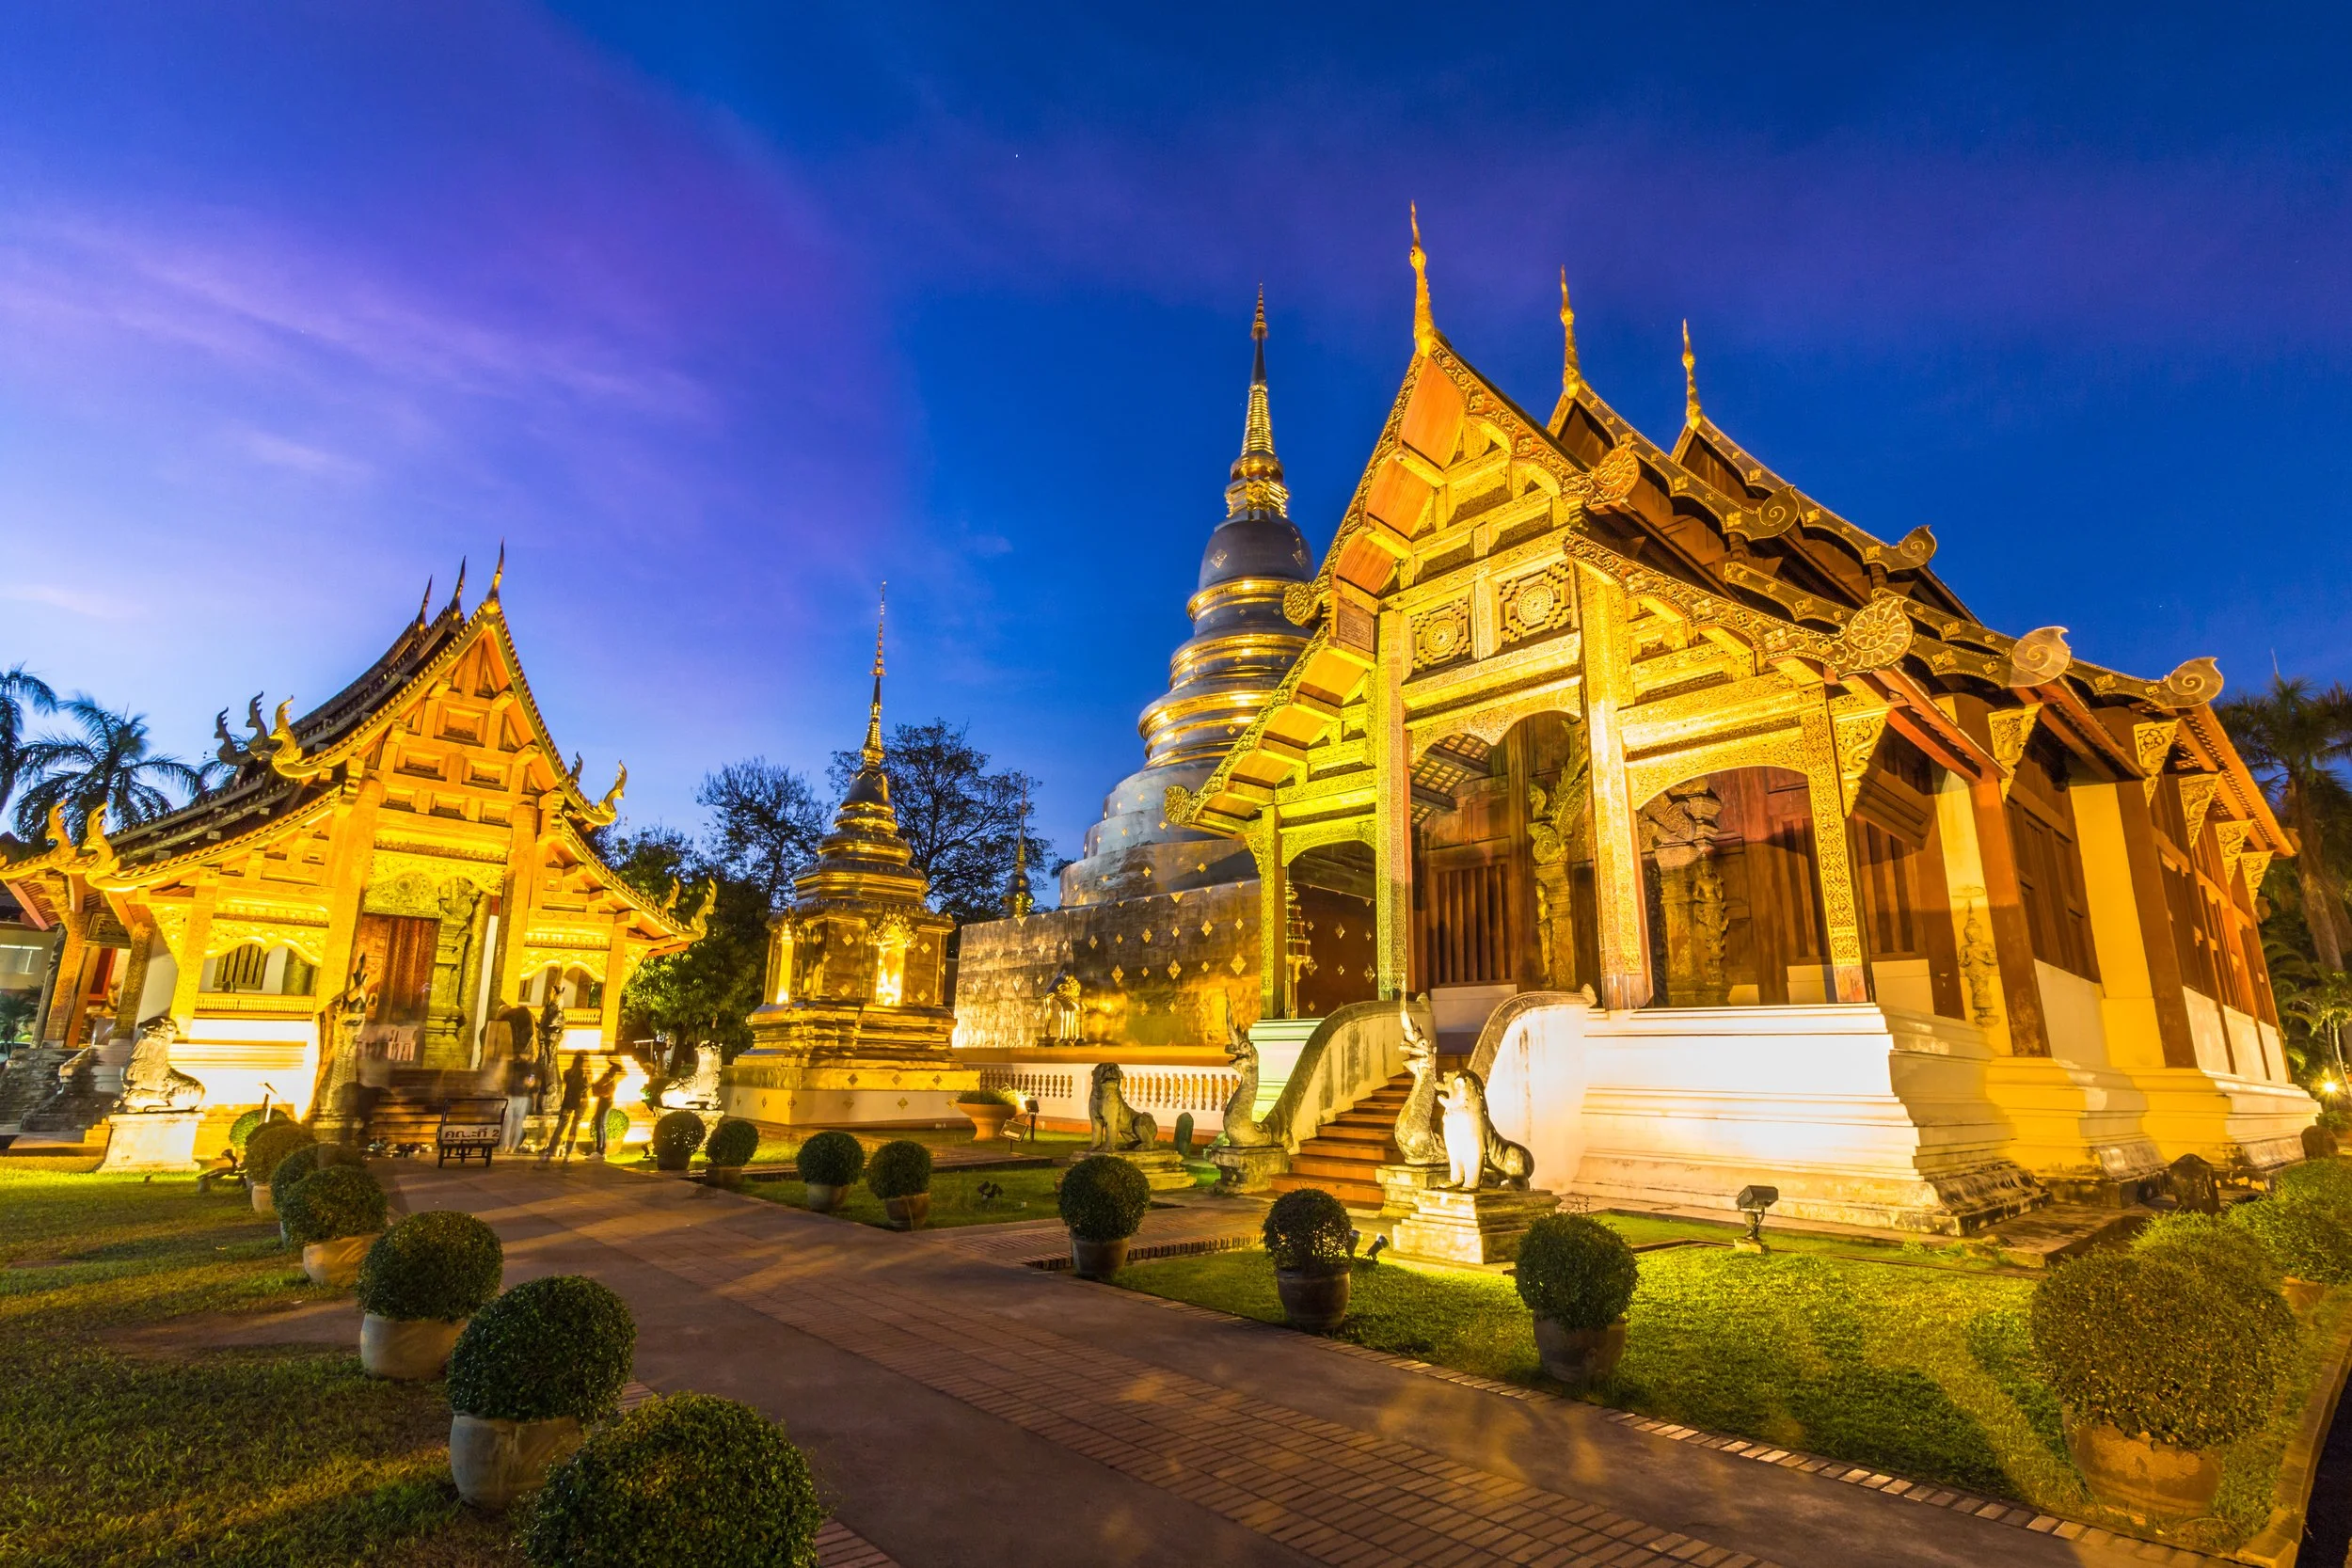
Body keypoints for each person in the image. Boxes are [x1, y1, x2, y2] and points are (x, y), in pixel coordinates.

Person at [538, 1053, 591, 1165]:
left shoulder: (567, 1073)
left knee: (560, 1129)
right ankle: (567, 1155)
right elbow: (584, 1088)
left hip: (567, 1103)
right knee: (574, 1129)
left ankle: (549, 1153)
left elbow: (568, 1085)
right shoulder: (583, 1074)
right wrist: (588, 1081)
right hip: (579, 1104)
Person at [502, 1052, 539, 1154]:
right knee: (517, 1123)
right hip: (522, 1097)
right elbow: (531, 1082)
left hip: (511, 1096)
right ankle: (512, 1147)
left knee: (508, 1122)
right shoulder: (530, 1068)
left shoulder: (512, 1065)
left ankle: (506, 1146)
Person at [589, 1056, 626, 1158]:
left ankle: (600, 1151)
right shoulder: (609, 1078)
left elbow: (597, 1089)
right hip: (605, 1102)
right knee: (601, 1125)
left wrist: (595, 1087)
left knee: (600, 1125)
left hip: (605, 1102)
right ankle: (601, 1150)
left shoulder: (608, 1078)